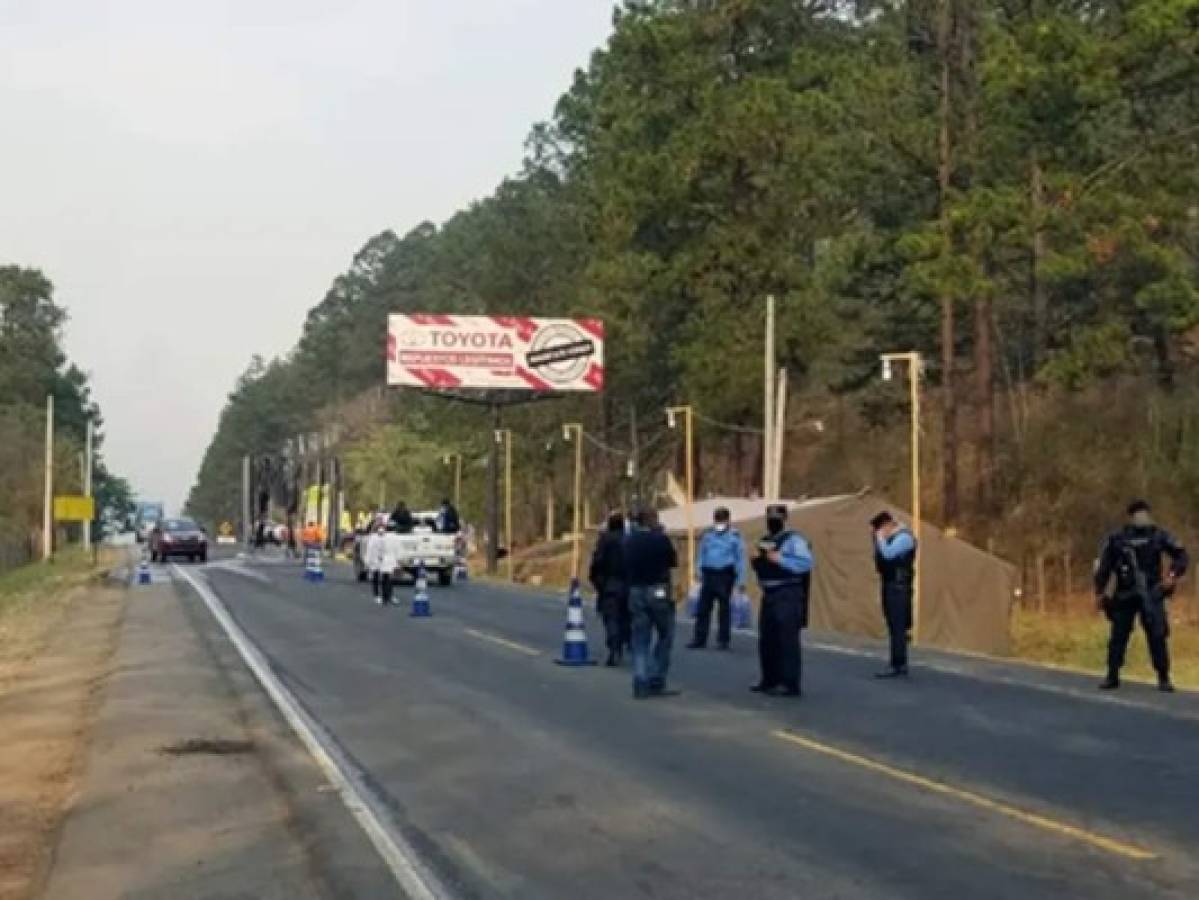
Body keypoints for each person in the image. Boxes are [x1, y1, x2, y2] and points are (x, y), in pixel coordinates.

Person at [1093, 500, 1188, 692]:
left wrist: (1172, 576)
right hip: (1126, 592)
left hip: (1151, 591)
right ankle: (1112, 675)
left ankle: (1163, 676)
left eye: (1143, 513)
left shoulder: (1158, 535)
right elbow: (1104, 567)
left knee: (1157, 634)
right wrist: (1100, 593)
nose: (1141, 517)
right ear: (1130, 516)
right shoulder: (1118, 538)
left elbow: (1181, 555)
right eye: (1138, 513)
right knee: (1119, 635)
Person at [750, 504, 813, 697]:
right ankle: (769, 679)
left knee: (787, 639)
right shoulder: (765, 540)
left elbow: (805, 563)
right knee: (767, 639)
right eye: (770, 517)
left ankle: (789, 682)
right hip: (769, 593)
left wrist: (781, 559)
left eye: (777, 517)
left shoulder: (794, 540)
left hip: (787, 591)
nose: (773, 521)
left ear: (785, 518)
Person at [623, 507, 679, 698]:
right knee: (665, 633)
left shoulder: (630, 541)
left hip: (636, 589)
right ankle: (657, 678)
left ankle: (640, 680)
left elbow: (625, 563)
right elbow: (672, 560)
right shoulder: (660, 539)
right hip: (658, 588)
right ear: (653, 521)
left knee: (640, 638)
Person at [687, 506, 746, 650]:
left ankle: (723, 640)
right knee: (703, 609)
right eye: (717, 519)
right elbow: (702, 554)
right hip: (708, 574)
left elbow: (740, 559)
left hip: (725, 575)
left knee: (724, 609)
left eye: (721, 520)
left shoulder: (734, 537)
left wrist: (741, 580)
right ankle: (699, 639)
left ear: (727, 520)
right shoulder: (708, 535)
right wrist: (698, 571)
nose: (719, 523)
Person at [871, 510, 917, 678]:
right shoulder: (892, 538)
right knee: (893, 625)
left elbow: (889, 554)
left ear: (889, 525)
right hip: (890, 584)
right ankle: (897, 661)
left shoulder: (904, 538)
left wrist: (881, 539)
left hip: (899, 586)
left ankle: (898, 663)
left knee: (898, 627)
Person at [589, 512, 631, 666]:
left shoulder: (604, 541)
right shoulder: (630, 540)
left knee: (611, 618)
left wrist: (597, 583)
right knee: (625, 617)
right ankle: (624, 641)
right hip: (628, 585)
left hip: (610, 586)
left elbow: (597, 564)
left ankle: (614, 646)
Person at [379, 521, 404, 607]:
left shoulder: (383, 537)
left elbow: (380, 549)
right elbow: (398, 550)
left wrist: (380, 558)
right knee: (390, 580)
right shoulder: (396, 538)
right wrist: (399, 562)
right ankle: (390, 596)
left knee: (384, 579)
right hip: (392, 559)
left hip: (384, 559)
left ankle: (384, 598)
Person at [365, 519, 387, 604]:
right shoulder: (373, 538)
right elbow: (369, 550)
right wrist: (368, 561)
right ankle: (377, 594)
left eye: (382, 527)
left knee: (386, 578)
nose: (381, 529)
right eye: (379, 527)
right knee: (376, 577)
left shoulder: (386, 537)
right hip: (375, 560)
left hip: (384, 560)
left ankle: (385, 595)